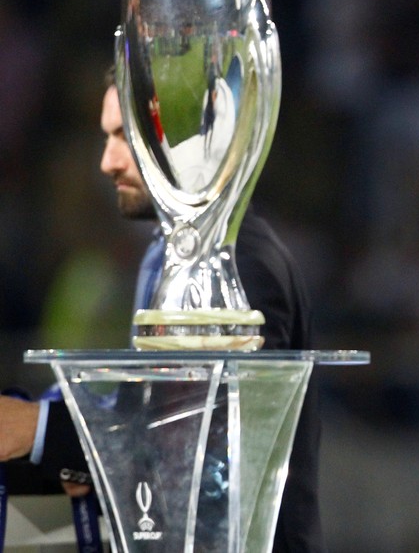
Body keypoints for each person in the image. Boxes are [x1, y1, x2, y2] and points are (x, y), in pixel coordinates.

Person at [0, 79, 325, 552]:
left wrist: (40, 431)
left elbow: (208, 460)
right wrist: (61, 447)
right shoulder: (165, 257)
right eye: (106, 137)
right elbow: (153, 424)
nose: (107, 162)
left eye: (124, 138)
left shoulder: (240, 264)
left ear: (190, 137)